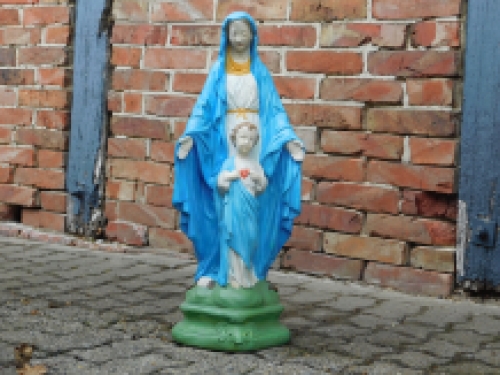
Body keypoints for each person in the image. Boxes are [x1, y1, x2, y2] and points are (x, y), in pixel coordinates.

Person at [173, 11, 304, 288]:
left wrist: (288, 139)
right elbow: (204, 107)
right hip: (223, 137)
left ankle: (250, 268)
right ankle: (217, 267)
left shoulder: (260, 72)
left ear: (253, 36)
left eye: (245, 32)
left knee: (254, 194)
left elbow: (275, 111)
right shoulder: (219, 70)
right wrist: (190, 136)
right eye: (235, 32)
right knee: (221, 200)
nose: (240, 38)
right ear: (227, 36)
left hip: (254, 136)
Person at [217, 122, 267, 288]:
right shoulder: (230, 163)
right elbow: (221, 185)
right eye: (243, 137)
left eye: (251, 139)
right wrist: (232, 176)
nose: (246, 142)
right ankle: (235, 277)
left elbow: (261, 188)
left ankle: (247, 272)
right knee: (234, 239)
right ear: (235, 139)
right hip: (234, 210)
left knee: (251, 239)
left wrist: (258, 179)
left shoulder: (255, 165)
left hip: (250, 209)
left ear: (255, 143)